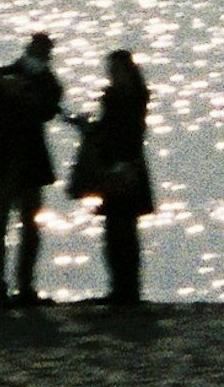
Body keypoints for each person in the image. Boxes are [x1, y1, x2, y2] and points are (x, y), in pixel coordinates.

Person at [0, 32, 65, 304]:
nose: (40, 54)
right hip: (5, 154)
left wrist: (25, 94)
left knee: (29, 224)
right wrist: (8, 85)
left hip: (29, 155)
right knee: (0, 222)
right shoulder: (12, 72)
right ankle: (0, 284)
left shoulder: (50, 83)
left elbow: (47, 108)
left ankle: (24, 284)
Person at [65, 49, 157, 307]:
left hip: (124, 167)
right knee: (118, 230)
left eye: (116, 71)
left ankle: (126, 289)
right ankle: (123, 288)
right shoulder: (129, 97)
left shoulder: (127, 98)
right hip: (123, 166)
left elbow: (125, 134)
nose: (113, 76)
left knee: (122, 230)